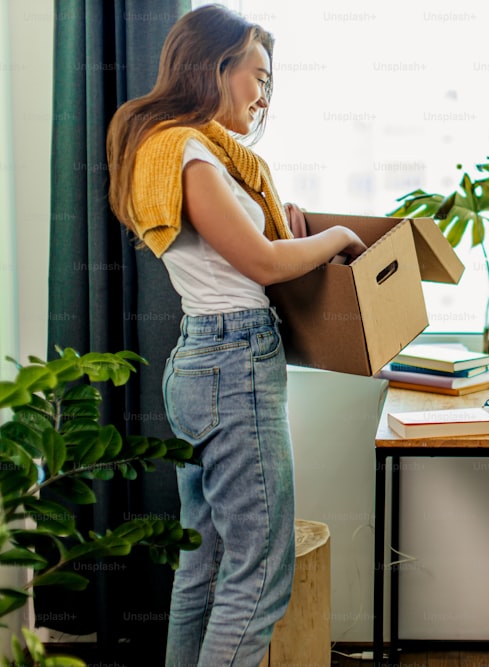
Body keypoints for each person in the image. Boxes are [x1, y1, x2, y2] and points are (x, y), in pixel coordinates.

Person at [106, 6, 366, 665]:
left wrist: (287, 222)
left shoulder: (188, 151)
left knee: (207, 557)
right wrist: (335, 238)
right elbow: (260, 264)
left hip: (205, 358)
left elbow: (248, 247)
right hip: (234, 360)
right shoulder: (191, 155)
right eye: (260, 76)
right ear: (216, 67)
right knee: (259, 569)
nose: (265, 95)